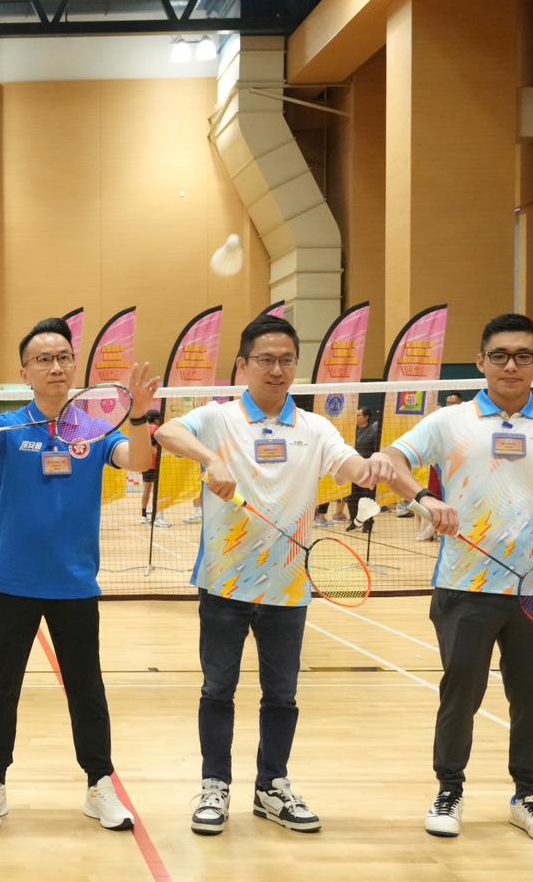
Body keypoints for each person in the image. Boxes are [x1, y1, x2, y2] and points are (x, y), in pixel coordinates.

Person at [156, 315, 391, 836]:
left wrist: (370, 468)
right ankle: (214, 786)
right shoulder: (219, 418)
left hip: (288, 587)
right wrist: (210, 460)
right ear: (243, 364)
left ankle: (272, 787)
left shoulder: (315, 428)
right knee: (218, 689)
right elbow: (167, 431)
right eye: (266, 359)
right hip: (225, 582)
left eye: (286, 360)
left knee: (281, 696)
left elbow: (349, 467)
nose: (277, 369)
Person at [380, 314, 533, 845]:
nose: (511, 365)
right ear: (481, 361)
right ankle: (449, 790)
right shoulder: (449, 421)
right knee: (460, 694)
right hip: (464, 585)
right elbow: (392, 460)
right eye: (500, 355)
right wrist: (424, 496)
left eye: (523, 356)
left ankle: (528, 796)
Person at [0, 317, 157, 832]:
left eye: (63, 357)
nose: (56, 366)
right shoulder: (9, 426)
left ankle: (99, 784)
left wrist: (138, 414)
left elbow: (138, 460)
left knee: (87, 689)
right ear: (26, 372)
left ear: (74, 366)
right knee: (1, 688)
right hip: (13, 581)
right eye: (43, 359)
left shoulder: (95, 430)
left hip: (75, 583)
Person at [346, 407, 381, 533]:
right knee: (352, 497)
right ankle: (354, 522)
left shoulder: (373, 432)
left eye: (358, 415)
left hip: (368, 470)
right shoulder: (352, 431)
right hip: (353, 469)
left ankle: (368, 524)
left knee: (367, 498)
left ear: (366, 417)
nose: (356, 417)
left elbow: (376, 452)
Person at [137, 412, 168, 527]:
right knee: (157, 490)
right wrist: (162, 456)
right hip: (155, 464)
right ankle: (156, 516)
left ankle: (143, 516)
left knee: (146, 489)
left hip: (145, 464)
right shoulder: (157, 430)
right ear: (156, 419)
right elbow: (151, 447)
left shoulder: (143, 430)